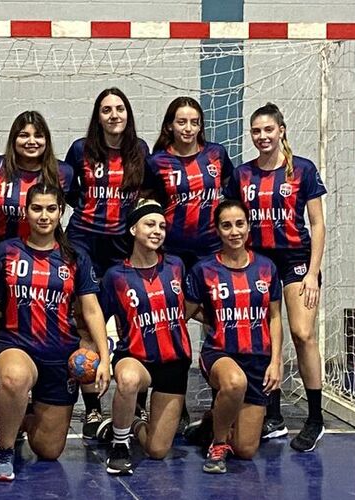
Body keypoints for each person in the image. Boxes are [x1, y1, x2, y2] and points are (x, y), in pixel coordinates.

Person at [0, 183, 111, 482]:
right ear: (26, 212)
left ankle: (22, 413)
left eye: (51, 209)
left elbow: (92, 309)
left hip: (60, 355)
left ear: (61, 213)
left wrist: (104, 357)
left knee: (48, 450)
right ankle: (5, 449)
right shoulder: (6, 252)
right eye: (37, 208)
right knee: (14, 378)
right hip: (16, 345)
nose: (44, 216)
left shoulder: (75, 257)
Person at [224, 102, 327, 452]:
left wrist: (312, 273)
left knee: (302, 332)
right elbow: (233, 221)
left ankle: (316, 419)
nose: (262, 136)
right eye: (256, 131)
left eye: (268, 129)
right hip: (259, 261)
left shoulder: (303, 170)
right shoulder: (242, 175)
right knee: (264, 336)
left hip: (297, 260)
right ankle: (274, 415)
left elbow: (317, 224)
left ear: (281, 130)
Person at [64, 88, 150, 439]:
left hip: (121, 244)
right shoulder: (80, 149)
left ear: (128, 114)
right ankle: (93, 410)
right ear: (97, 116)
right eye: (106, 110)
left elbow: (147, 193)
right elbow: (69, 190)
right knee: (86, 321)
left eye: (119, 108)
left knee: (134, 318)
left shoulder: (140, 151)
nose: (113, 115)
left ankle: (139, 402)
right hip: (84, 240)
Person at [144, 96, 234, 430]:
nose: (188, 128)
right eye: (181, 122)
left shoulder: (216, 155)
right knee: (174, 323)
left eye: (194, 122)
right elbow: (148, 207)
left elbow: (230, 198)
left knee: (217, 322)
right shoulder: (157, 163)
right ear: (170, 125)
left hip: (212, 252)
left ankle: (219, 403)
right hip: (174, 255)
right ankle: (173, 400)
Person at [184, 199, 283, 474]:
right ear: (217, 230)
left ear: (249, 227)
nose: (234, 231)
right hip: (220, 353)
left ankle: (209, 425)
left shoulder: (266, 268)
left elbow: (274, 317)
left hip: (258, 359)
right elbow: (184, 312)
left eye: (239, 224)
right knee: (234, 382)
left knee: (246, 451)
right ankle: (217, 445)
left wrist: (276, 361)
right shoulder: (204, 270)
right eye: (226, 225)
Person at [97, 199, 192, 475]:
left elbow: (192, 306)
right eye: (150, 224)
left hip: (174, 363)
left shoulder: (176, 266)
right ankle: (120, 443)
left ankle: (134, 422)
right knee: (127, 379)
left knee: (157, 450)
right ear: (133, 230)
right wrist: (99, 358)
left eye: (162, 226)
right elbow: (96, 319)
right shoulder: (116, 275)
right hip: (135, 357)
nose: (157, 231)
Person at [0, 110, 76, 252]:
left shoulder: (63, 172)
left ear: (46, 140)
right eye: (24, 135)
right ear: (14, 139)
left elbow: (82, 207)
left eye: (38, 136)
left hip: (45, 257)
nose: (32, 142)